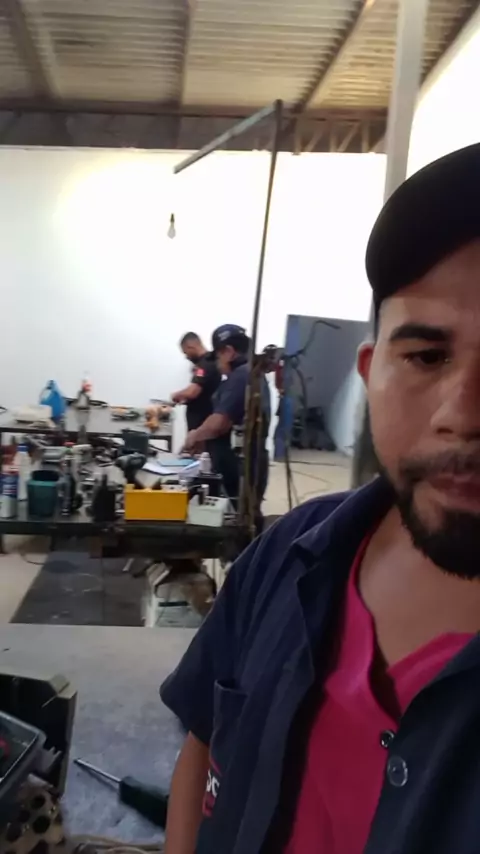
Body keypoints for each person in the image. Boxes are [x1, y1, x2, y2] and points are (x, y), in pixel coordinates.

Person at [161, 143, 480, 854]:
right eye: (427, 356)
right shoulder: (290, 552)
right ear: (372, 372)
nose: (462, 414)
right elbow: (202, 748)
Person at [183, 325, 271, 515]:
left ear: (229, 352)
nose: (217, 363)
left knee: (240, 516)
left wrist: (194, 436)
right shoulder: (251, 374)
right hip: (252, 462)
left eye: (218, 357)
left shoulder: (240, 377)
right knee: (247, 512)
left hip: (241, 467)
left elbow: (219, 423)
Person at [171, 333, 221, 432]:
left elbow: (192, 392)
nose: (186, 357)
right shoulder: (207, 362)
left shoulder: (205, 365)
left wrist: (176, 395)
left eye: (186, 352)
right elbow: (203, 392)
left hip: (202, 423)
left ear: (191, 347)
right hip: (202, 421)